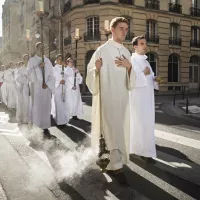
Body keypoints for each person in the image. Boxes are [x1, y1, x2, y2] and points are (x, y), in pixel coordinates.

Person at [86, 17, 135, 185]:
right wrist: (96, 69)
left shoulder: (127, 52)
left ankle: (117, 161)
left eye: (126, 28)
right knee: (111, 129)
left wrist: (129, 67)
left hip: (122, 98)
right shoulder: (102, 50)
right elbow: (90, 74)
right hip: (107, 98)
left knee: (120, 129)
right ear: (112, 30)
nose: (124, 31)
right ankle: (115, 166)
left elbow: (131, 82)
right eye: (121, 28)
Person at [129, 35, 160, 163]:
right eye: (142, 43)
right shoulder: (132, 60)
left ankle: (145, 150)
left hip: (148, 98)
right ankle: (143, 152)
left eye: (145, 43)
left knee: (147, 124)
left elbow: (149, 76)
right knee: (139, 124)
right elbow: (130, 79)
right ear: (135, 46)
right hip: (138, 98)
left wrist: (154, 79)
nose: (145, 46)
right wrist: (144, 74)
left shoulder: (146, 61)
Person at [27, 42, 55, 134]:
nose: (41, 49)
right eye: (39, 47)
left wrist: (47, 83)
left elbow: (52, 74)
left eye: (43, 47)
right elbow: (29, 73)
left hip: (46, 87)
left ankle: (45, 126)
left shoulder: (47, 60)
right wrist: (38, 67)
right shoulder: (32, 60)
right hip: (37, 87)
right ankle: (37, 124)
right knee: (38, 106)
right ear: (36, 48)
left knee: (46, 106)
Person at [51, 54, 70, 126]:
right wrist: (59, 82)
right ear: (56, 60)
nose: (60, 60)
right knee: (59, 105)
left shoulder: (64, 68)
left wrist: (66, 66)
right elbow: (52, 79)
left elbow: (69, 75)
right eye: (59, 59)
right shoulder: (53, 69)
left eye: (61, 59)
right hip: (57, 89)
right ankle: (59, 121)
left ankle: (64, 120)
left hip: (64, 88)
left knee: (64, 105)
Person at [16, 54, 30, 123]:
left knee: (30, 103)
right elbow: (18, 78)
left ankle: (31, 117)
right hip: (24, 87)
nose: (26, 60)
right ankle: (24, 118)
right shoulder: (21, 69)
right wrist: (25, 78)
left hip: (32, 87)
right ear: (23, 60)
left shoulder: (31, 68)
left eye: (28, 58)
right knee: (25, 102)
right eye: (25, 59)